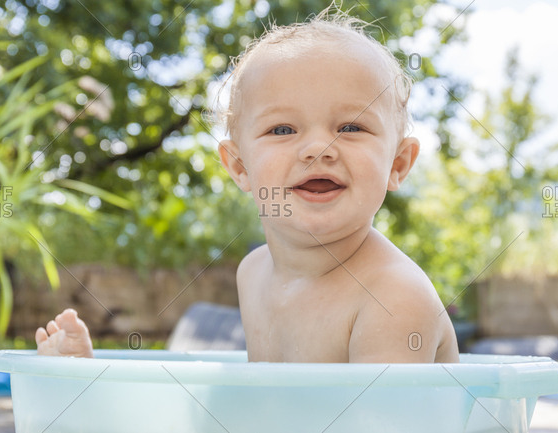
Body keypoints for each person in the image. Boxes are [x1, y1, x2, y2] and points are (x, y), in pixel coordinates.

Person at [36, 7, 459, 363]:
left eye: (350, 126)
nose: (318, 148)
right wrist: (86, 385)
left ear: (397, 164)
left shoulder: (393, 298)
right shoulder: (254, 273)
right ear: (239, 167)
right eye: (281, 129)